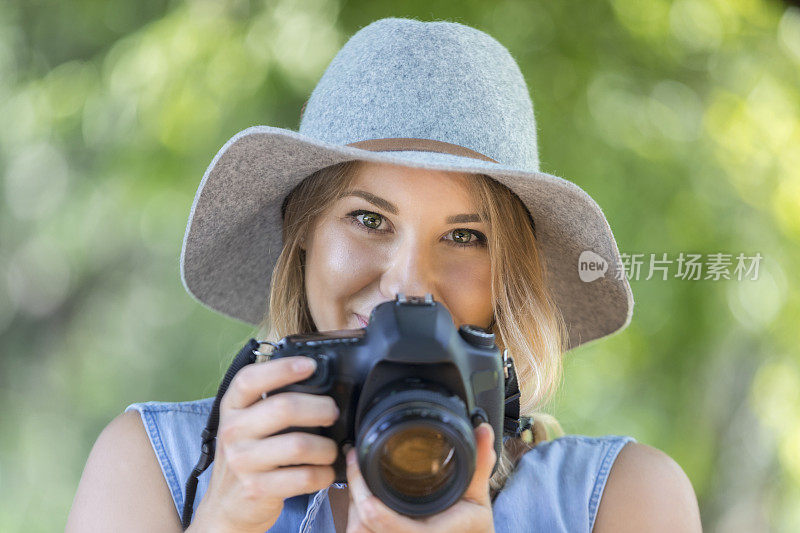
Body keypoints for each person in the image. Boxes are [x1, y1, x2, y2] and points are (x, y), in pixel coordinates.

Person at [66, 17, 702, 533]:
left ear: (508, 275)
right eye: (368, 220)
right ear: (303, 238)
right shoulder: (155, 466)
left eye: (464, 236)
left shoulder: (623, 501)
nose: (409, 286)